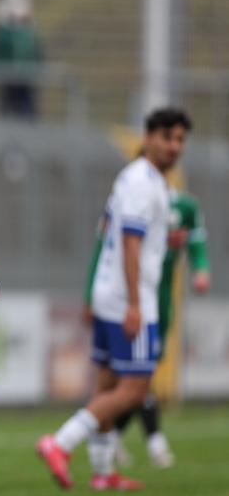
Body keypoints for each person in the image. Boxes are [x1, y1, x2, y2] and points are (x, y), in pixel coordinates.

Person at [38, 108, 192, 491]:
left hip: (111, 293)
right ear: (149, 136)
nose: (174, 147)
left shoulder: (138, 178)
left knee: (107, 383)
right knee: (136, 388)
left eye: (180, 140)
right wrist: (137, 304)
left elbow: (118, 233)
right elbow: (130, 241)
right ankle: (60, 442)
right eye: (167, 137)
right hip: (130, 297)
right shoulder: (143, 181)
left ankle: (103, 472)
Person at [83, 183, 210, 469]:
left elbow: (197, 242)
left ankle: (110, 440)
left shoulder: (183, 206)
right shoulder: (124, 201)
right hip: (127, 299)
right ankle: (150, 442)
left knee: (137, 378)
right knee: (133, 378)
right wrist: (89, 295)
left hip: (159, 301)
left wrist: (201, 268)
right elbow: (102, 249)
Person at [0, 0, 43, 120]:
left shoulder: (28, 32)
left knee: (25, 115)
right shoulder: (4, 33)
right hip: (9, 84)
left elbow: (36, 57)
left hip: (25, 85)